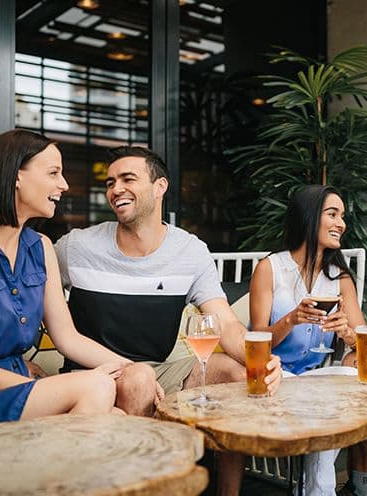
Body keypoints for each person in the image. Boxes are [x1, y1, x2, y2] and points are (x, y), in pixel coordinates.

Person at [54, 145, 282, 495]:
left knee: (235, 373)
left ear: (160, 187)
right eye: (111, 182)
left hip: (160, 368)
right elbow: (28, 292)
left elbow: (224, 323)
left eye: (128, 179)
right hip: (94, 373)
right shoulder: (76, 247)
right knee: (138, 378)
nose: (116, 189)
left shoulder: (190, 251)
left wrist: (261, 363)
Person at [0, 129, 146, 432]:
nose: (63, 185)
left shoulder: (40, 247)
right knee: (97, 390)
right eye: (53, 173)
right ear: (15, 177)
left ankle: (55, 478)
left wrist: (134, 369)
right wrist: (65, 386)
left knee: (119, 398)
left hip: (18, 391)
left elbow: (68, 338)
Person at [249, 184, 367, 496]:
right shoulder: (270, 268)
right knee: (321, 404)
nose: (341, 223)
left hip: (318, 376)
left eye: (342, 216)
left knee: (349, 377)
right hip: (277, 376)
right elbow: (254, 341)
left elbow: (363, 344)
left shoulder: (339, 276)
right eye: (332, 214)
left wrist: (345, 331)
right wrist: (292, 318)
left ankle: (311, 489)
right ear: (309, 216)